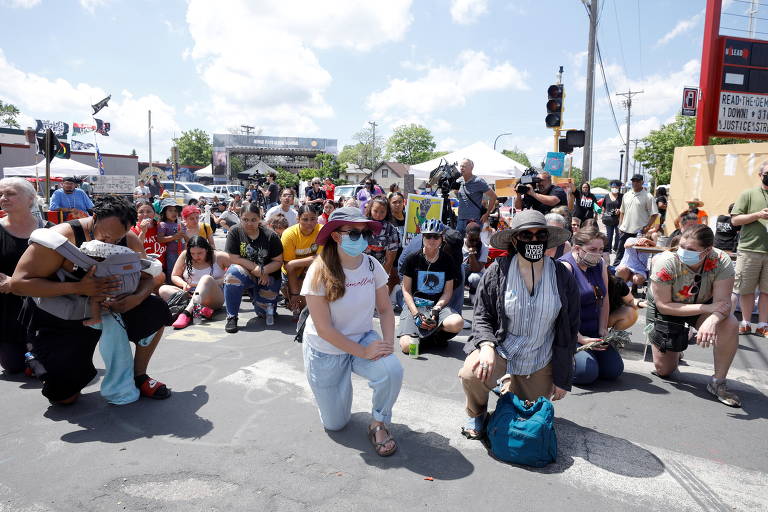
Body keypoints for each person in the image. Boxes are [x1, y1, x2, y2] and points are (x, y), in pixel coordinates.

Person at [11, 196, 172, 403]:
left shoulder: (129, 239)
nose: (111, 244)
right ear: (94, 217)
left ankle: (139, 376)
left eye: (117, 240)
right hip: (61, 316)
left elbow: (151, 277)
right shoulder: (60, 239)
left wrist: (136, 298)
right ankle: (37, 358)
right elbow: (18, 284)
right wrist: (78, 287)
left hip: (107, 310)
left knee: (154, 308)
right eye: (105, 238)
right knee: (64, 398)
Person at [458, 210, 579, 439]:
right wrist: (486, 346)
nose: (534, 241)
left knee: (524, 418)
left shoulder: (562, 276)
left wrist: (563, 377)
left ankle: (508, 387)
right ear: (515, 240)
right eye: (526, 236)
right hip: (503, 348)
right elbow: (482, 315)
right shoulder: (498, 270)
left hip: (540, 355)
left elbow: (569, 328)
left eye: (540, 235)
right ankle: (478, 413)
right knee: (471, 374)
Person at [301, 207, 402, 456]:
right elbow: (324, 329)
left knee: (392, 370)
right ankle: (337, 390)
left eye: (365, 232)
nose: (362, 238)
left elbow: (386, 309)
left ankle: (379, 423)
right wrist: (363, 352)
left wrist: (387, 344)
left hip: (362, 339)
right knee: (336, 424)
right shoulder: (318, 270)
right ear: (336, 236)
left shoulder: (371, 265)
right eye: (354, 233)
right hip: (326, 351)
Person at [646, 225, 741, 407]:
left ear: (707, 251)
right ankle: (676, 350)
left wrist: (713, 320)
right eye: (682, 246)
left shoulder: (721, 260)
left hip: (705, 306)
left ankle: (718, 382)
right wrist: (706, 308)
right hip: (670, 307)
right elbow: (664, 306)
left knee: (729, 323)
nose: (683, 252)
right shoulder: (666, 262)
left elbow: (723, 303)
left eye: (691, 250)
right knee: (664, 370)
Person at [559, 227, 623, 385]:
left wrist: (602, 329)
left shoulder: (600, 263)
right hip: (570, 332)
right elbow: (560, 311)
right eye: (592, 249)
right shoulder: (565, 267)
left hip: (592, 330)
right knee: (586, 373)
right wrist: (580, 338)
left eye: (601, 249)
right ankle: (559, 361)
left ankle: (588, 357)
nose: (598, 253)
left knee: (614, 370)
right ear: (577, 248)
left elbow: (604, 298)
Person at [0, 178, 50, 374]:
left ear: (31, 198)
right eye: (1, 194)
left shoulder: (50, 230)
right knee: (14, 365)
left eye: (10, 193)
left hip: (43, 309)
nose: (4, 198)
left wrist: (17, 283)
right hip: (6, 312)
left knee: (46, 360)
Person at [397, 220, 464, 354]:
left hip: (436, 307)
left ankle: (431, 336)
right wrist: (416, 313)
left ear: (441, 238)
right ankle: (426, 337)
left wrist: (436, 309)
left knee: (457, 322)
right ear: (422, 237)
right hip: (414, 306)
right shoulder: (412, 259)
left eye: (436, 236)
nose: (432, 240)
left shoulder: (447, 260)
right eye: (428, 236)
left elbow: (447, 292)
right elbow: (406, 289)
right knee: (407, 347)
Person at [223, 203, 284, 333]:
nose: (249, 223)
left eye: (253, 220)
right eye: (245, 219)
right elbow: (233, 258)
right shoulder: (235, 231)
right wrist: (256, 269)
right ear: (240, 218)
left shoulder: (270, 236)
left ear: (260, 218)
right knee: (232, 274)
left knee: (263, 314)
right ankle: (232, 316)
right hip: (247, 273)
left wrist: (264, 271)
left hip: (268, 276)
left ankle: (258, 297)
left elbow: (278, 261)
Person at [159, 236, 230, 329]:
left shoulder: (219, 256)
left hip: (213, 297)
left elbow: (234, 274)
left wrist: (212, 282)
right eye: (193, 253)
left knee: (206, 279)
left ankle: (186, 313)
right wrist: (183, 284)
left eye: (200, 253)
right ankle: (199, 309)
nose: (196, 257)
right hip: (190, 292)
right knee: (163, 289)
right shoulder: (185, 255)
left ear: (207, 250)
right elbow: (175, 276)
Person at [731, 161, 768, 336]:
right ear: (760, 174)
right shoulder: (748, 194)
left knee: (767, 291)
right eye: (767, 172)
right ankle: (745, 322)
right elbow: (735, 220)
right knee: (746, 289)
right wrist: (758, 215)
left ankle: (762, 325)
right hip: (749, 249)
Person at [281, 205, 321, 320]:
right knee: (296, 298)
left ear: (317, 218)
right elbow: (289, 268)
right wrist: (294, 294)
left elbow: (321, 259)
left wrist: (294, 263)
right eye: (305, 219)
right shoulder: (289, 234)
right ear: (298, 219)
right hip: (291, 272)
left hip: (311, 269)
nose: (309, 223)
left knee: (306, 300)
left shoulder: (322, 231)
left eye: (313, 219)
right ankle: (290, 299)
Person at [614, 174, 659, 264]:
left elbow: (654, 214)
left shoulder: (648, 196)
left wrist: (647, 227)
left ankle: (635, 274)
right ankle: (615, 274)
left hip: (639, 232)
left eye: (637, 181)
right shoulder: (626, 195)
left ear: (642, 182)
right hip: (625, 230)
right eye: (633, 181)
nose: (635, 183)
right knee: (620, 254)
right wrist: (620, 225)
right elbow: (622, 211)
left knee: (637, 256)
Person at [456, 158, 498, 235]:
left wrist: (487, 213)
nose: (461, 168)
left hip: (474, 220)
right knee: (458, 244)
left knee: (473, 245)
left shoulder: (478, 181)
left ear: (471, 168)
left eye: (464, 166)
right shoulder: (459, 181)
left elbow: (494, 196)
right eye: (461, 166)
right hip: (460, 219)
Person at [364, 197, 400, 282]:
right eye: (375, 211)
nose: (378, 215)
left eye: (382, 212)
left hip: (380, 268)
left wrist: (382, 278)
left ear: (387, 212)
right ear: (370, 209)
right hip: (361, 268)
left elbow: (390, 258)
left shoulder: (391, 229)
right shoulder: (362, 225)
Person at [156, 198, 187, 280]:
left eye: (175, 211)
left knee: (183, 270)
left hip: (183, 251)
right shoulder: (163, 224)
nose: (174, 213)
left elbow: (187, 239)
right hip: (171, 253)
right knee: (172, 271)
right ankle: (171, 286)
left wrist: (184, 235)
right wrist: (174, 237)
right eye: (170, 210)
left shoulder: (180, 224)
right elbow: (159, 239)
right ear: (164, 212)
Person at [463, 222, 488, 301]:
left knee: (475, 278)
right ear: (467, 235)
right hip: (461, 273)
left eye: (476, 239)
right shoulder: (460, 244)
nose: (474, 242)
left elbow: (476, 269)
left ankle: (473, 292)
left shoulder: (484, 247)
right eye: (472, 239)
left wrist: (472, 254)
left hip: (476, 273)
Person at [602, 180, 623, 253]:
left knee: (618, 234)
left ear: (619, 187)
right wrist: (603, 215)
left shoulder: (622, 196)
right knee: (609, 235)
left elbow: (625, 207)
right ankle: (608, 249)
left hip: (619, 219)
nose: (614, 188)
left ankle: (616, 248)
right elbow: (603, 207)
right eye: (613, 187)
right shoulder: (607, 196)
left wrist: (620, 210)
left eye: (616, 187)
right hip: (608, 219)